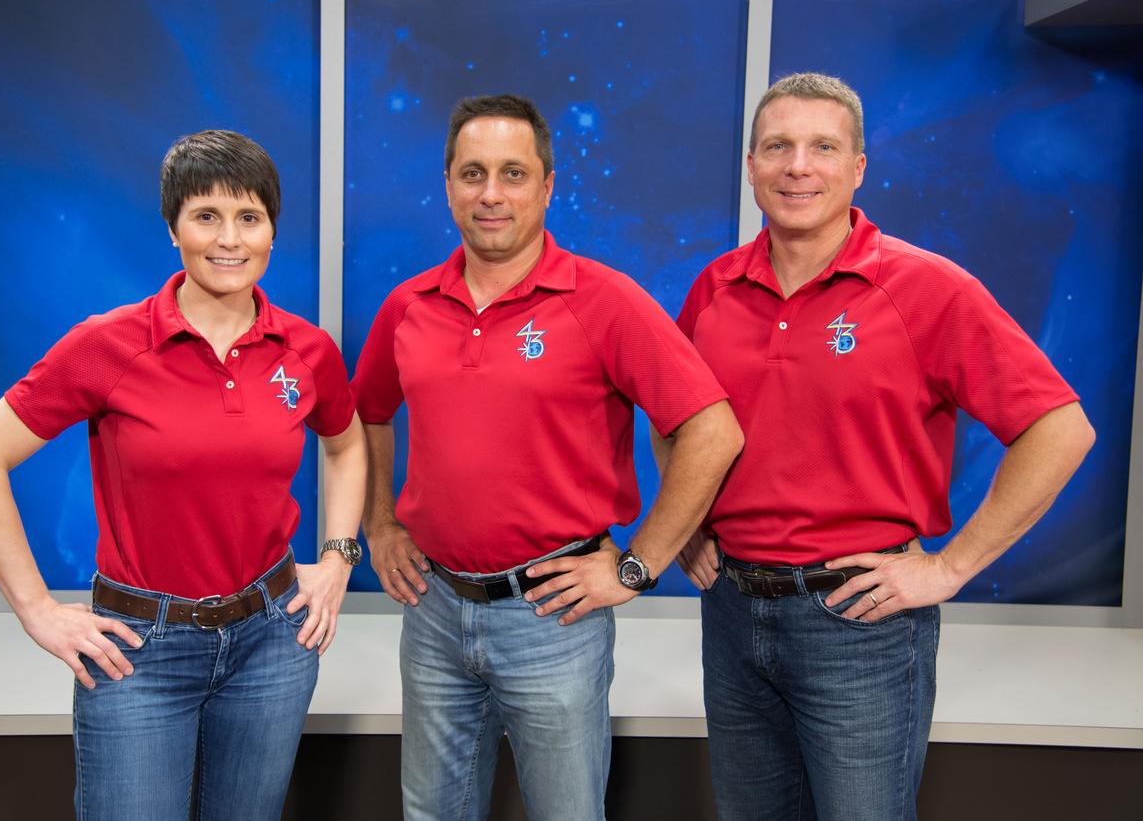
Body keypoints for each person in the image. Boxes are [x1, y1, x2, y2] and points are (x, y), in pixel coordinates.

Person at [666, 72, 1095, 820]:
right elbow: (677, 418)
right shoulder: (714, 288)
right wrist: (685, 524)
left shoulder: (927, 288)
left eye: (822, 147)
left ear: (857, 168)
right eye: (778, 146)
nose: (798, 166)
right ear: (751, 166)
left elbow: (1060, 428)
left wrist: (951, 565)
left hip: (857, 623)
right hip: (731, 611)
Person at [0, 130, 367, 821]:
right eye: (206, 216)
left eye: (249, 217)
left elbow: (347, 447)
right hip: (138, 650)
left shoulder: (306, 350)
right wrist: (36, 610)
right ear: (172, 228)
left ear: (271, 230)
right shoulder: (107, 344)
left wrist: (337, 556)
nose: (229, 239)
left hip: (271, 641)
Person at [350, 93, 743, 821]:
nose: (490, 194)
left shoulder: (603, 300)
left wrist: (639, 563)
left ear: (547, 186)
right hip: (434, 610)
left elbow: (713, 430)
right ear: (447, 184)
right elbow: (365, 413)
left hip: (552, 616)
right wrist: (379, 523)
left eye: (512, 173)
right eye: (472, 173)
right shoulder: (407, 305)